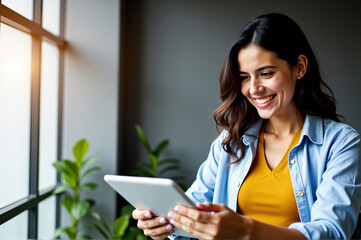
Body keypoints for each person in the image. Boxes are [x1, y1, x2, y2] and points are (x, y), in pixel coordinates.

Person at [132, 13, 361, 239]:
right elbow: (191, 211)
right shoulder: (230, 142)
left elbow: (333, 232)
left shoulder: (340, 143)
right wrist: (165, 224)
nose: (254, 89)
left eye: (266, 73)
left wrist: (247, 231)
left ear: (300, 67)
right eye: (244, 77)